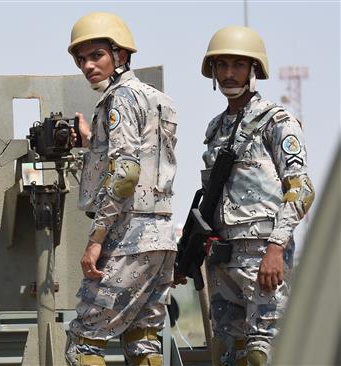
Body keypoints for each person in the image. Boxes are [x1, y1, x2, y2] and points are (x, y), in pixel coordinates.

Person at [195, 26, 315, 366]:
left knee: (263, 352)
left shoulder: (276, 121)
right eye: (222, 65)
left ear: (254, 70)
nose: (229, 73)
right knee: (227, 352)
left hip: (262, 255)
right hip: (221, 258)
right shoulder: (216, 128)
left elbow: (302, 189)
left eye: (238, 65)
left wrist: (276, 247)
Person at [65, 12, 178, 366]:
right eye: (81, 59)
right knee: (143, 340)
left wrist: (96, 239)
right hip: (160, 235)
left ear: (121, 55)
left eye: (96, 55)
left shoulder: (121, 98)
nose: (87, 66)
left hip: (128, 234)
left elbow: (127, 173)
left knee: (83, 342)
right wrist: (91, 144)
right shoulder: (158, 99)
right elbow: (143, 161)